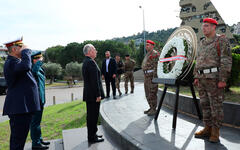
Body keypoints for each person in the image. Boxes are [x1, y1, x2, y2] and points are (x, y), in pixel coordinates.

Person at [194, 18, 232, 143]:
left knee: (216, 106)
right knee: (205, 105)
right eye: (203, 26)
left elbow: (226, 60)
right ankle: (207, 128)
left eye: (207, 26)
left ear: (213, 27)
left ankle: (215, 131)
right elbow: (198, 60)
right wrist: (196, 76)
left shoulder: (221, 40)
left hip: (214, 79)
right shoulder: (201, 43)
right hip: (202, 79)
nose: (203, 28)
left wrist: (223, 79)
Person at [3, 38, 41, 150]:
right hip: (19, 109)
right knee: (17, 142)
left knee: (19, 140)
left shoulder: (16, 62)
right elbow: (26, 66)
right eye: (21, 48)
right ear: (14, 49)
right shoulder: (11, 62)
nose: (25, 50)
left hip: (22, 108)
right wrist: (27, 51)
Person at [82, 44, 105, 143]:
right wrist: (98, 95)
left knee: (92, 116)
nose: (96, 51)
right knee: (93, 116)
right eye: (95, 50)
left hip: (90, 94)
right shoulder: (90, 62)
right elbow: (94, 81)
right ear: (90, 51)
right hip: (93, 95)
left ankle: (93, 134)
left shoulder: (86, 62)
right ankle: (92, 137)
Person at [30, 51, 50, 149]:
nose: (39, 60)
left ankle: (39, 139)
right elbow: (33, 72)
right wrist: (38, 63)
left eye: (40, 58)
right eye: (37, 59)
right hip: (35, 100)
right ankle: (36, 144)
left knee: (38, 122)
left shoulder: (40, 69)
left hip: (41, 99)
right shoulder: (31, 68)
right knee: (34, 123)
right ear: (32, 60)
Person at [142, 40, 160, 116]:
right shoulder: (148, 54)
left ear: (152, 46)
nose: (146, 46)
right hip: (146, 77)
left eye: (148, 45)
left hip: (151, 76)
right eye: (146, 45)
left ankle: (154, 109)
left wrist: (154, 78)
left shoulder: (155, 53)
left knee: (152, 93)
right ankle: (151, 107)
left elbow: (157, 65)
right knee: (147, 93)